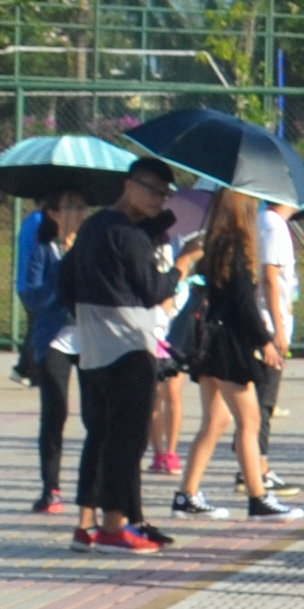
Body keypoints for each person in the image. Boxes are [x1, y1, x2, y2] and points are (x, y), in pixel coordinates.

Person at [60, 158, 180, 554]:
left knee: (100, 435)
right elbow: (152, 290)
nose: (158, 200)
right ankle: (114, 526)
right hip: (130, 347)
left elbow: (64, 286)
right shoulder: (128, 236)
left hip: (92, 349)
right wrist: (183, 266)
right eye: (152, 190)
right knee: (127, 440)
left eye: (164, 194)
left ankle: (88, 524)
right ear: (128, 185)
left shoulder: (93, 227)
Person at [177, 193, 300, 522]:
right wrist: (267, 339)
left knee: (214, 422)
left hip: (209, 343)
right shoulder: (238, 246)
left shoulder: (214, 243)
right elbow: (244, 305)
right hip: (229, 346)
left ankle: (186, 494)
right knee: (250, 422)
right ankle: (257, 496)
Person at [19, 191, 84, 514]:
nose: (80, 212)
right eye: (73, 206)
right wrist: (60, 276)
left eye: (83, 206)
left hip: (91, 337)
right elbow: (32, 297)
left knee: (97, 417)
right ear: (55, 213)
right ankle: (51, 489)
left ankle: (92, 492)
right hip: (55, 338)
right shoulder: (43, 250)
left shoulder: (91, 246)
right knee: (55, 411)